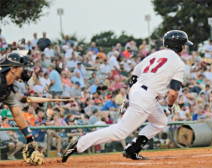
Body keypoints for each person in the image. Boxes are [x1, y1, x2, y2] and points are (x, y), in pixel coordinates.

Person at [62, 30, 193, 162]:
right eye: (183, 44)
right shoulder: (178, 63)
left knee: (160, 122)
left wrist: (131, 95)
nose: (184, 47)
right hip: (147, 96)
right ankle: (80, 143)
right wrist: (170, 106)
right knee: (120, 132)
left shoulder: (157, 54)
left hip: (140, 90)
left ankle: (132, 149)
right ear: (179, 45)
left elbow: (135, 74)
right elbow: (174, 92)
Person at [0, 52, 44, 165]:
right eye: (21, 67)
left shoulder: (9, 88)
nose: (25, 70)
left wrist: (29, 139)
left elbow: (17, 115)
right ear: (12, 69)